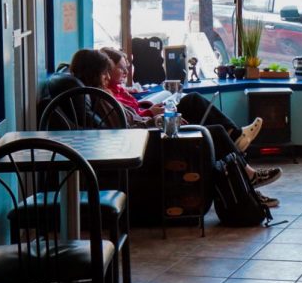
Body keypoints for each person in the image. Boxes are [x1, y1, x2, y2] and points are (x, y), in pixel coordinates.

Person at [69, 49, 282, 207]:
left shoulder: (99, 95)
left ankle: (246, 178)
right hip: (145, 141)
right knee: (212, 130)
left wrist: (153, 113)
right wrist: (159, 119)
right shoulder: (100, 98)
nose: (108, 77)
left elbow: (128, 119)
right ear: (93, 72)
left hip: (145, 133)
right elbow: (125, 129)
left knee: (197, 108)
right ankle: (247, 177)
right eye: (105, 72)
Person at [100, 47, 262, 152]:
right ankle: (236, 136)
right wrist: (150, 112)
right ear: (108, 69)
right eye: (121, 68)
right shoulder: (107, 95)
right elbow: (129, 120)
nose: (126, 73)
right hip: (151, 125)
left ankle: (235, 134)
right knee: (194, 103)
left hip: (151, 117)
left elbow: (132, 111)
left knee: (193, 100)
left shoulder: (117, 89)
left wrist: (147, 106)